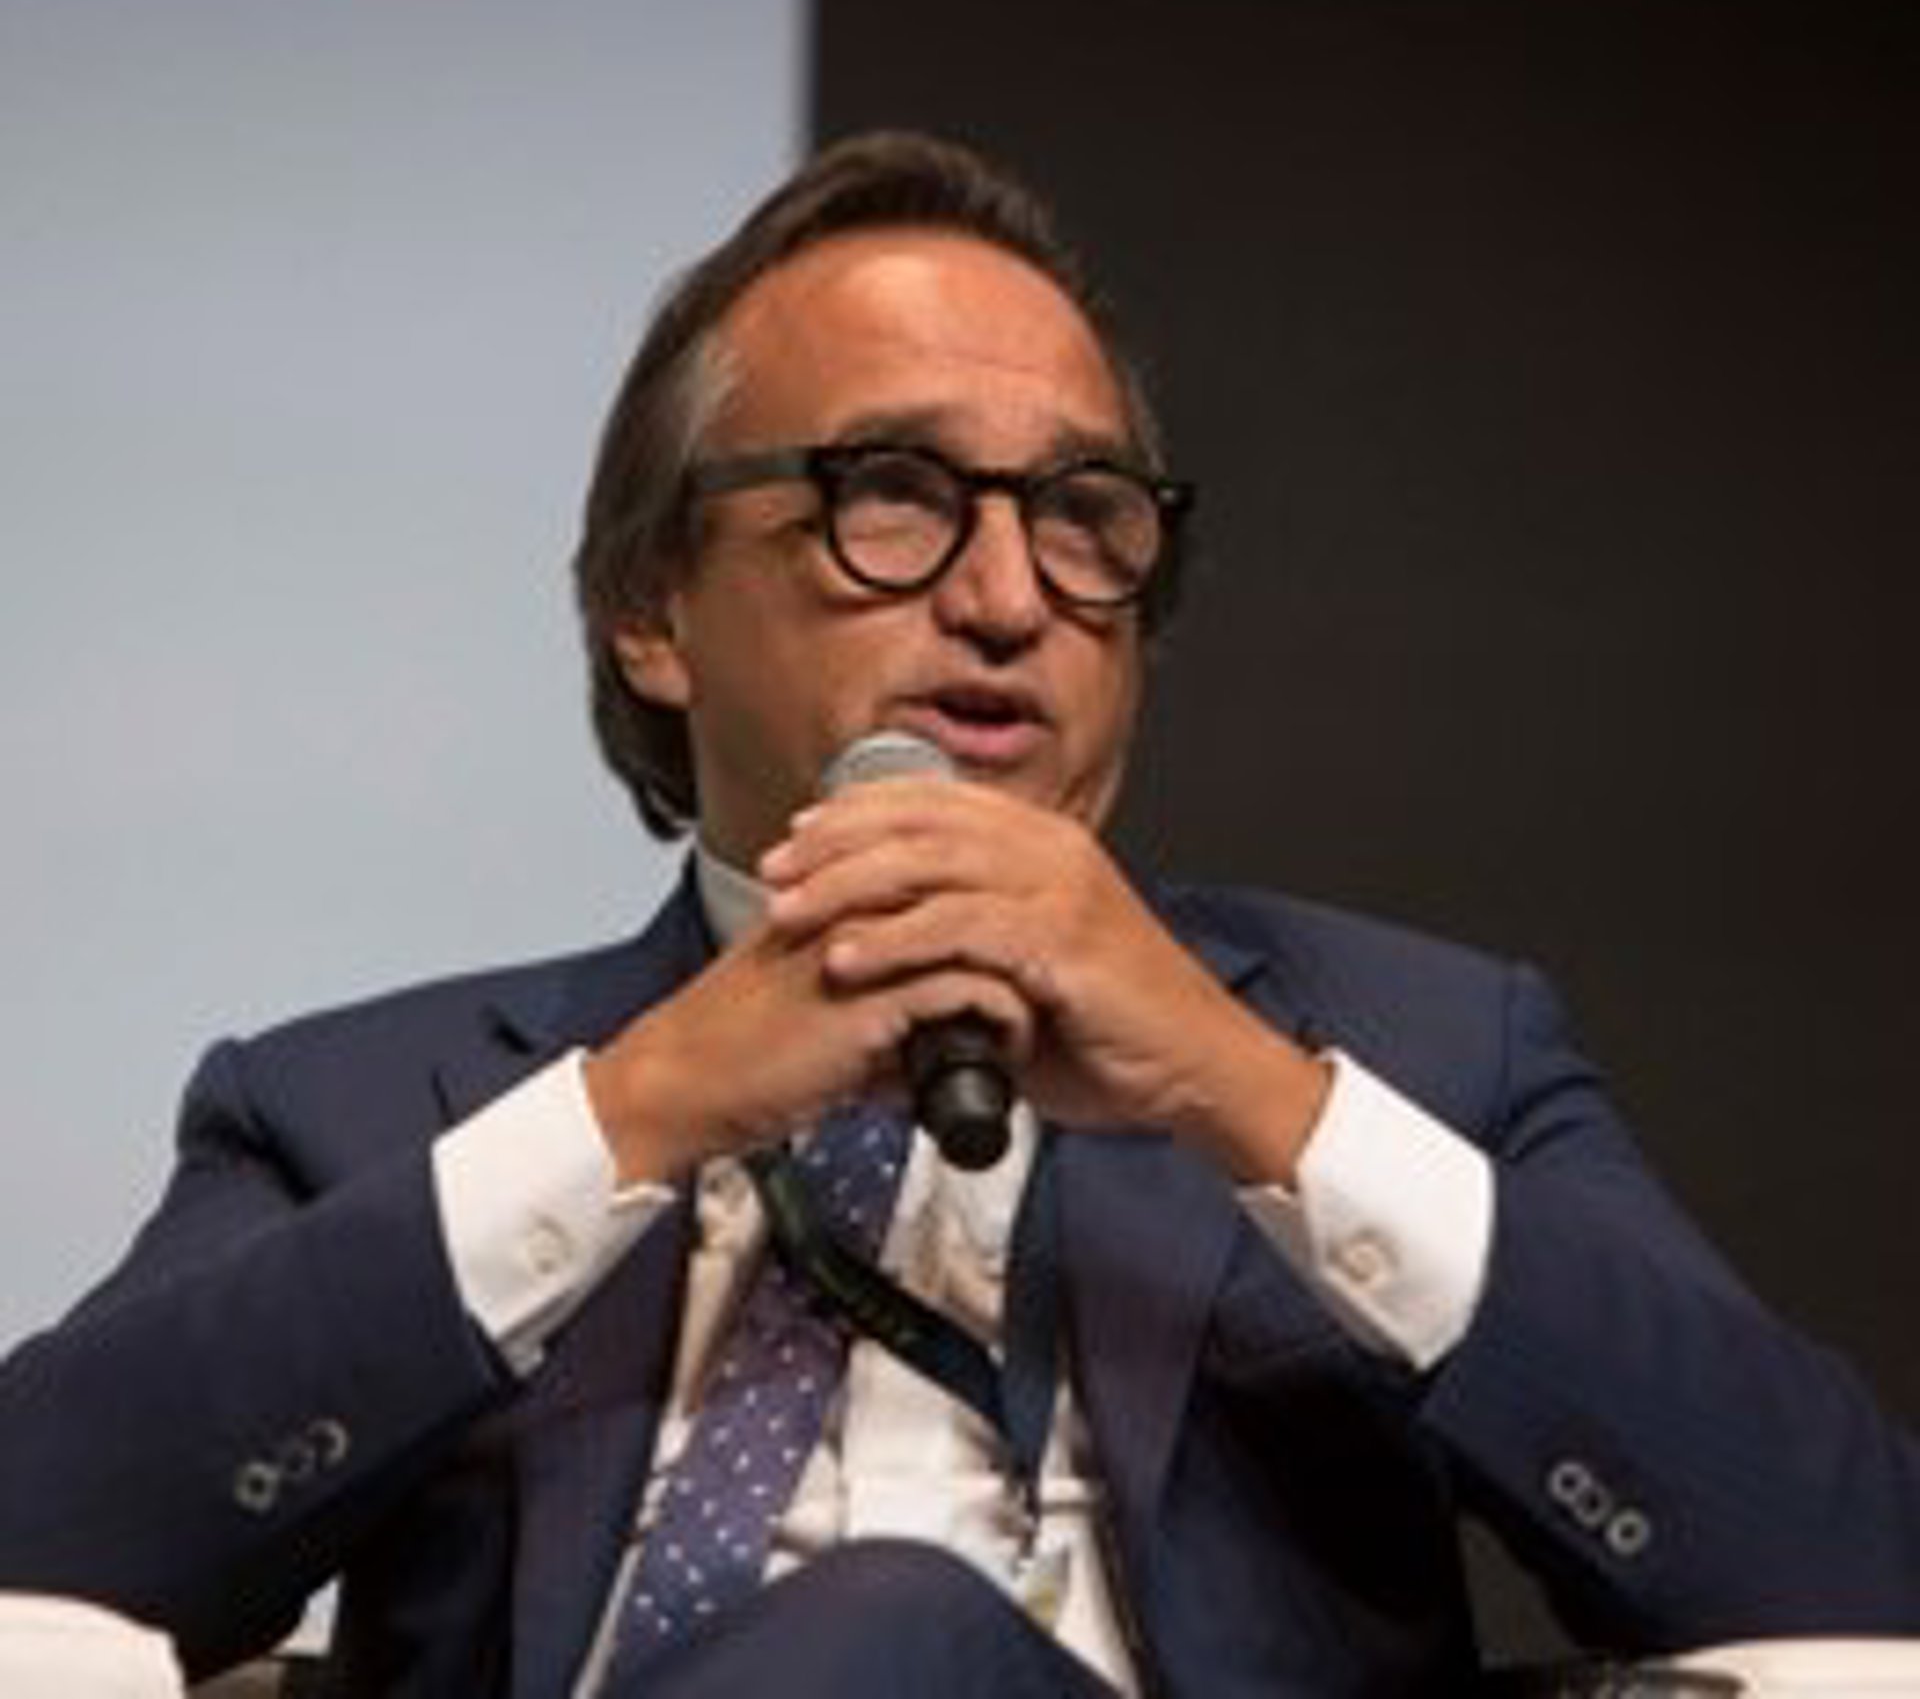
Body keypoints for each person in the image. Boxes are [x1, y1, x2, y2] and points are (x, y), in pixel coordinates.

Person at [1, 130, 1916, 1698]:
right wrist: (638, 1111)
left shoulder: (1422, 1053)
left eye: (1084, 514)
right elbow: (38, 1535)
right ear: (653, 610)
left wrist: (1245, 1094)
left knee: (899, 1623)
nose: (1008, 596)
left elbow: (1851, 1567)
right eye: (894, 492)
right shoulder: (356, 1106)